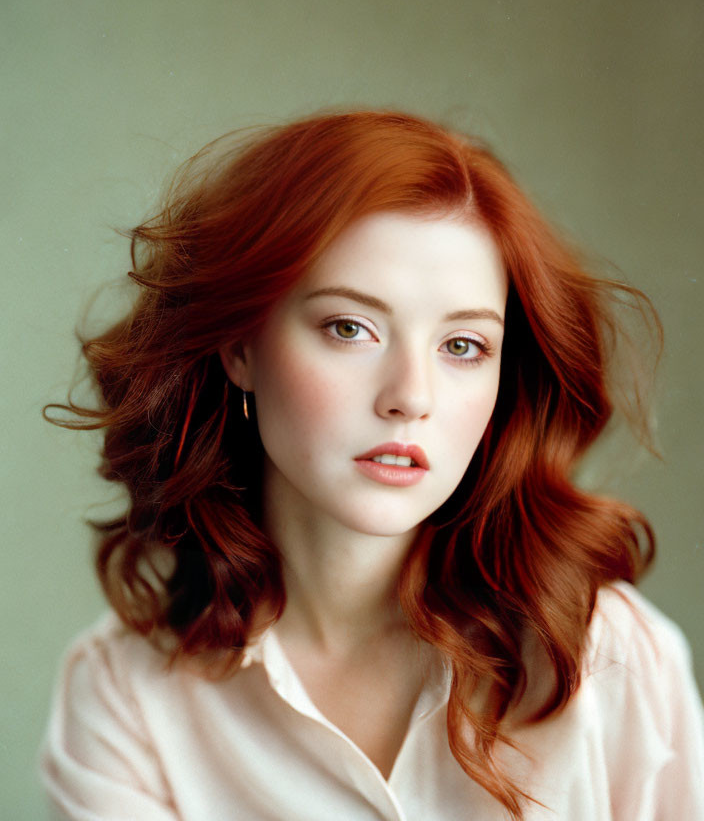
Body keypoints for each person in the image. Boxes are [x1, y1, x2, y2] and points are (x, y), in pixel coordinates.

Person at [40, 109, 704, 820]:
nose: (410, 398)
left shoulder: (612, 658)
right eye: (349, 328)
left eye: (463, 346)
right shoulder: (124, 691)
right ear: (240, 348)